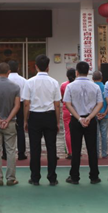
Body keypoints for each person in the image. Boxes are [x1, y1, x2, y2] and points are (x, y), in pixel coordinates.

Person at [22, 54, 61, 186]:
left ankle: (35, 178)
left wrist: (26, 120)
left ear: (36, 67)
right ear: (48, 67)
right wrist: (57, 122)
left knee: (35, 148)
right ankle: (52, 178)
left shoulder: (29, 82)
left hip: (35, 116)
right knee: (51, 148)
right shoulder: (54, 82)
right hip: (49, 115)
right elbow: (57, 104)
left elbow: (26, 103)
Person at [63, 62, 103, 185]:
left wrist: (79, 118)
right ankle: (94, 176)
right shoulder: (95, 86)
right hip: (90, 120)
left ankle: (74, 176)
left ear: (76, 72)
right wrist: (90, 117)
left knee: (76, 150)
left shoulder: (70, 86)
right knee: (92, 149)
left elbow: (67, 103)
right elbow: (100, 103)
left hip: (76, 120)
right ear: (88, 71)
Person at [8, 60, 28, 160]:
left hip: (8, 105)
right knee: (20, 129)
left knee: (6, 128)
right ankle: (21, 153)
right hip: (20, 104)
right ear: (18, 68)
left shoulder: (5, 79)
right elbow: (26, 97)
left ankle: (6, 153)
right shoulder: (23, 80)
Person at [60, 68, 75, 160]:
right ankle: (77, 151)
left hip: (66, 110)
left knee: (67, 132)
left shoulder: (63, 85)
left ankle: (70, 152)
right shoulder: (77, 85)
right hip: (77, 110)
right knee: (77, 132)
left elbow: (62, 98)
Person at [93, 71, 108, 159]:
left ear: (92, 78)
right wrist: (105, 112)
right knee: (104, 134)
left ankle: (96, 153)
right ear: (101, 78)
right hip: (104, 114)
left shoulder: (91, 87)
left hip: (94, 115)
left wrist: (95, 113)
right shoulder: (106, 87)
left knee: (95, 135)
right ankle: (104, 153)